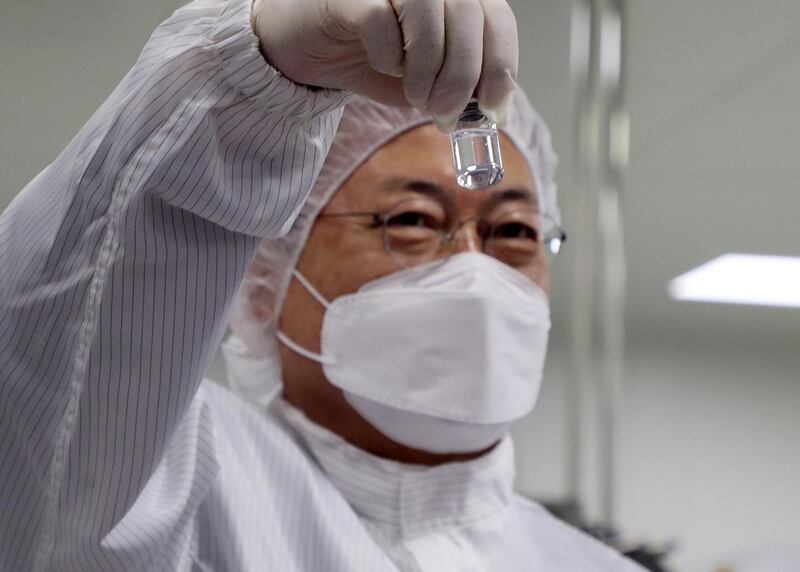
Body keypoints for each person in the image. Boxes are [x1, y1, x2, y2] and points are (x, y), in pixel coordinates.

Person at [0, 0, 644, 569]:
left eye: (515, 233)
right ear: (263, 285)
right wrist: (251, 82)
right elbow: (49, 406)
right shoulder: (173, 482)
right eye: (413, 221)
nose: (475, 271)